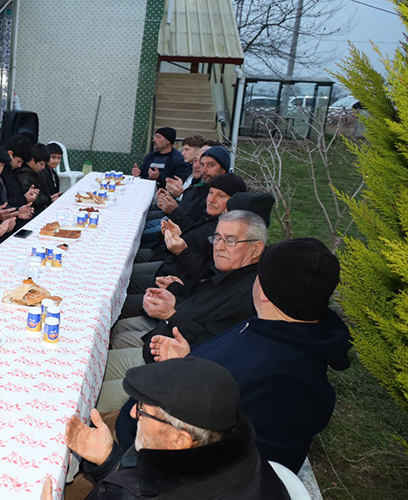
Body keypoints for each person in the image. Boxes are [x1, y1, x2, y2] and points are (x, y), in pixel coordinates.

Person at [147, 238, 350, 472]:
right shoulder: (273, 327)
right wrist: (189, 358)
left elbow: (237, 467)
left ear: (264, 291)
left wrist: (181, 378)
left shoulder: (284, 380)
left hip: (156, 458)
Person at [43, 358, 288, 500]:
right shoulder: (247, 457)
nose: (131, 413)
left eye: (142, 410)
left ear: (179, 441)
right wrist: (110, 461)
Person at [99, 210, 268, 412]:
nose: (219, 247)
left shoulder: (249, 294)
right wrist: (174, 297)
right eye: (217, 238)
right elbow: (200, 308)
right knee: (100, 356)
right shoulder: (232, 273)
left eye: (230, 240)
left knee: (93, 384)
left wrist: (172, 315)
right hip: (158, 346)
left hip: (169, 375)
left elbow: (210, 346)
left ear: (256, 248)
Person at [128, 173, 247, 294]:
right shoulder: (212, 217)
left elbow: (206, 273)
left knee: (124, 276)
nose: (211, 199)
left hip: (176, 284)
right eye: (210, 192)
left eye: (221, 195)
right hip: (169, 265)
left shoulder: (226, 232)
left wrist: (181, 251)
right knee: (125, 259)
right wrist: (176, 234)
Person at [16, 143, 55, 212]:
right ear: (32, 160)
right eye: (41, 164)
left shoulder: (37, 171)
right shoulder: (24, 175)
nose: (43, 167)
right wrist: (49, 199)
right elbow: (32, 200)